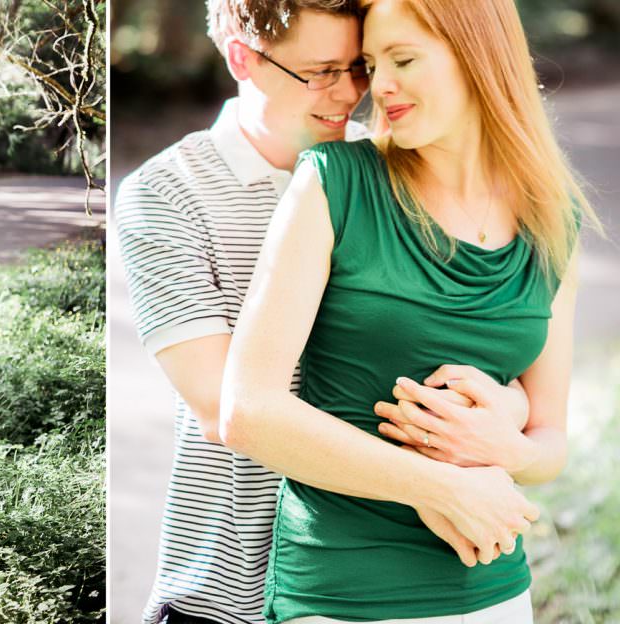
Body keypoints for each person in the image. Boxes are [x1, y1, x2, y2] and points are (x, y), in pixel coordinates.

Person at [114, 2, 531, 622]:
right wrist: (439, 481)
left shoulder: (388, 173)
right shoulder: (165, 193)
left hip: (371, 584)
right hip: (229, 592)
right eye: (322, 71)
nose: (352, 94)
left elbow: (462, 340)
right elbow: (221, 405)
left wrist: (511, 404)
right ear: (242, 58)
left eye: (358, 67)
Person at [219, 0, 598, 621]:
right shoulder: (335, 181)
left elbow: (549, 437)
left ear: (479, 58)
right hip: (343, 591)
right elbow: (248, 411)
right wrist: (441, 486)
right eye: (372, 62)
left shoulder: (553, 221)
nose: (378, 86)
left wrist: (509, 448)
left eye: (404, 59)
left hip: (494, 587)